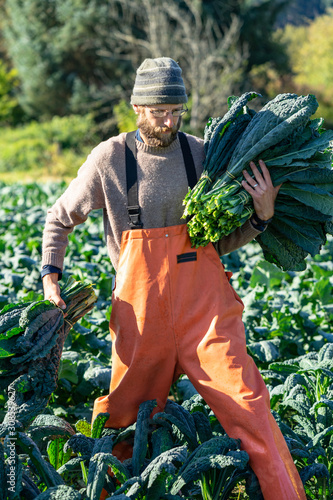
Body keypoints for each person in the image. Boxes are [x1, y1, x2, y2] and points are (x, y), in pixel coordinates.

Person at [42, 57, 306, 500]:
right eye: (160, 111)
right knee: (125, 421)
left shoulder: (202, 155)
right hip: (141, 316)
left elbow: (217, 241)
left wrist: (261, 218)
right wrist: (51, 275)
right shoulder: (109, 158)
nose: (168, 121)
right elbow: (59, 219)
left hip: (205, 311)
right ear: (137, 107)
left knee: (250, 403)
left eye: (176, 112)